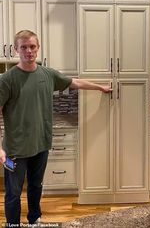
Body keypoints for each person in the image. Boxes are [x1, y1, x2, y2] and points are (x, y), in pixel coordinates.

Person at [0, 30, 112, 225]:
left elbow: (74, 82)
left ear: (38, 48)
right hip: (15, 149)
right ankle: (13, 224)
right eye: (24, 47)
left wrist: (99, 87)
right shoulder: (6, 80)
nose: (28, 51)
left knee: (36, 186)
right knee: (13, 193)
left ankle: (34, 220)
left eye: (32, 46)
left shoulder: (48, 74)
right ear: (16, 49)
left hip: (41, 144)